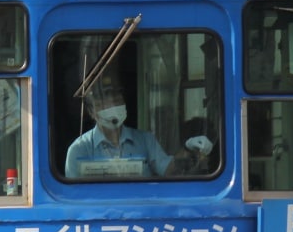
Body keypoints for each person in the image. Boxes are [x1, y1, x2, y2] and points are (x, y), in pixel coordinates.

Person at [64, 74, 211, 178]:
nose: (113, 106)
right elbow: (73, 198)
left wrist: (188, 148)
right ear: (91, 112)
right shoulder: (78, 149)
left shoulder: (145, 140)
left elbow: (169, 171)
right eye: (104, 103)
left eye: (117, 100)